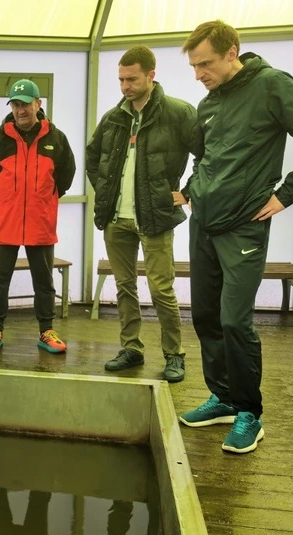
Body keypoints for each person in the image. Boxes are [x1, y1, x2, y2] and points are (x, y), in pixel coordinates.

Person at [178, 21, 293, 453]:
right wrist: (193, 190)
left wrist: (286, 194)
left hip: (244, 225)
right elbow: (204, 157)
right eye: (194, 67)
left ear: (232, 52)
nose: (199, 75)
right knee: (206, 317)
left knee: (234, 320)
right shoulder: (210, 102)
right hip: (203, 224)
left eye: (205, 64)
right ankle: (223, 398)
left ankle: (249, 412)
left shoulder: (271, 85)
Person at [86, 46, 196, 383]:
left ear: (151, 75)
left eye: (132, 79)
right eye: (121, 79)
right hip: (116, 219)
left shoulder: (178, 113)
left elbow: (208, 155)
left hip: (155, 217)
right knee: (124, 286)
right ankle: (131, 348)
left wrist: (188, 191)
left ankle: (174, 354)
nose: (125, 86)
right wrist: (106, 192)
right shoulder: (113, 117)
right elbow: (93, 158)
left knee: (161, 289)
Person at [0, 78, 76, 354]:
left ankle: (46, 331)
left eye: (25, 104)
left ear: (38, 104)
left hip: (40, 221)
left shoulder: (56, 139)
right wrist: (7, 199)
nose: (21, 110)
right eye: (15, 104)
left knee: (44, 281)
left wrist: (44, 198)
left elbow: (66, 176)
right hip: (5, 222)